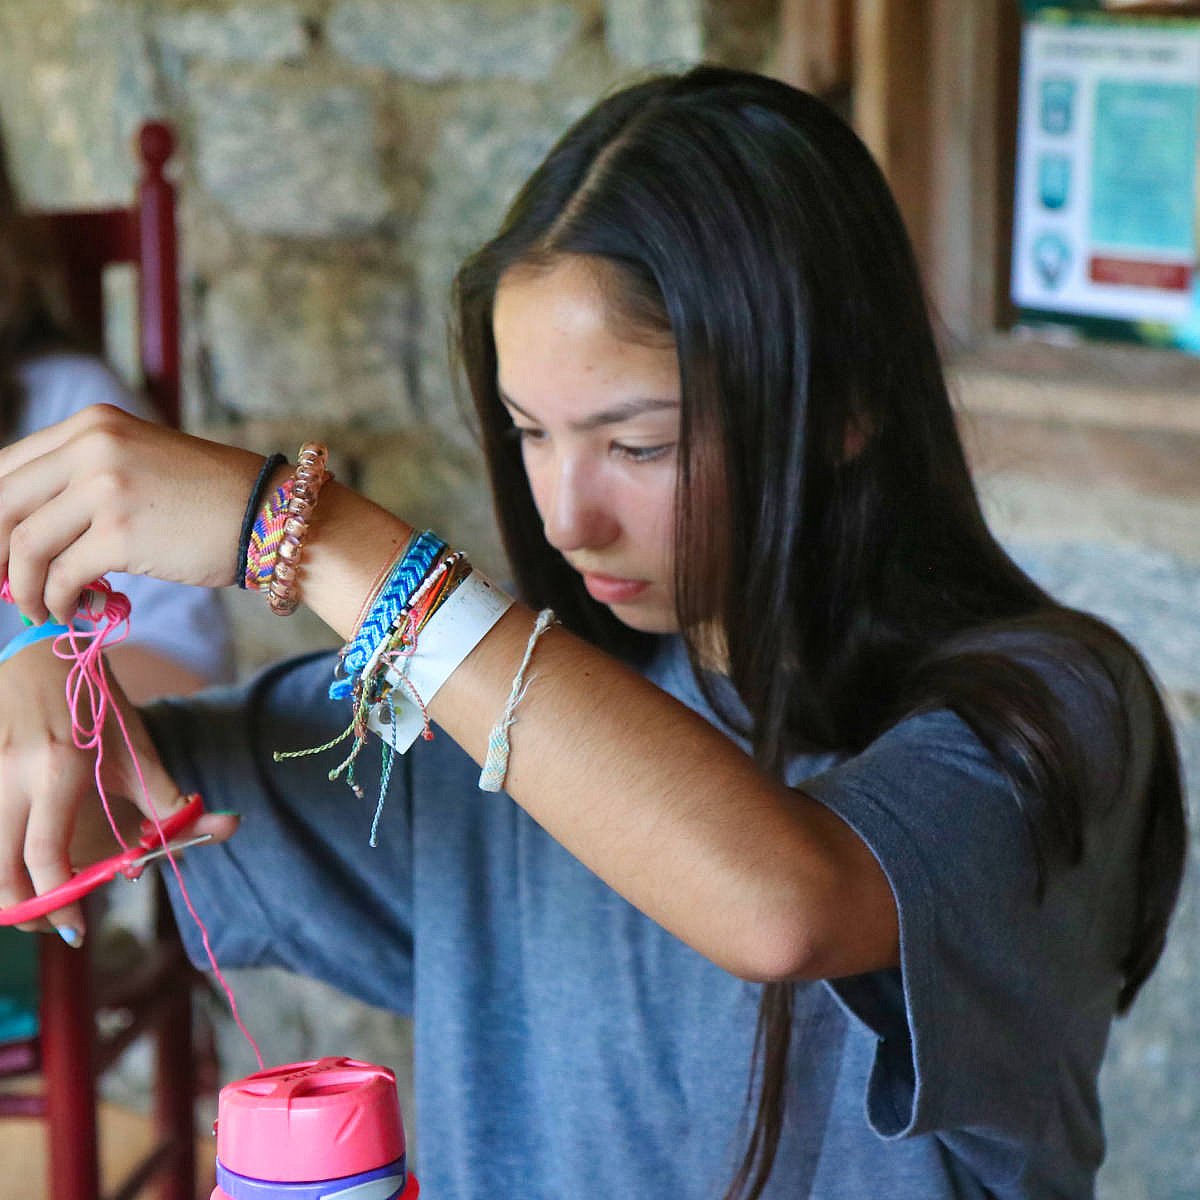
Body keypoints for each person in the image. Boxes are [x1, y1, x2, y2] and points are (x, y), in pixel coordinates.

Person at [0, 67, 1186, 1200]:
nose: (569, 517)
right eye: (529, 432)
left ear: (846, 408)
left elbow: (782, 907)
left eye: (639, 444)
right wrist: (38, 681)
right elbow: (114, 780)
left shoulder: (1049, 714)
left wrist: (304, 531)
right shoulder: (463, 734)